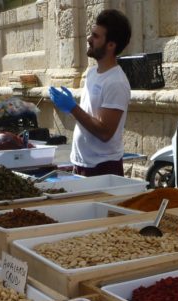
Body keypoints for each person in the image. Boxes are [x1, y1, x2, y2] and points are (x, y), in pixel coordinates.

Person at [49, 9, 132, 177]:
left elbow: (105, 133)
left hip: (103, 168)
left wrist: (72, 108)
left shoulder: (116, 82)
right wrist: (72, 106)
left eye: (95, 36)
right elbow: (90, 116)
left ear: (111, 45)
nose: (89, 39)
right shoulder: (93, 72)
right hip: (82, 163)